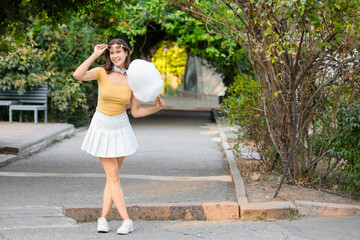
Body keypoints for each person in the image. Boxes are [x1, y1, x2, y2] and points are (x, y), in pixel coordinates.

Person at [73, 38, 165, 235]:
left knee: (111, 178)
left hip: (121, 128)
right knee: (113, 176)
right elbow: (78, 74)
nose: (115, 55)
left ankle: (103, 219)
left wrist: (155, 109)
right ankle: (126, 220)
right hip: (102, 126)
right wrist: (95, 54)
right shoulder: (101, 72)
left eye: (119, 51)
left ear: (126, 53)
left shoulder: (132, 79)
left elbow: (136, 112)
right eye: (112, 52)